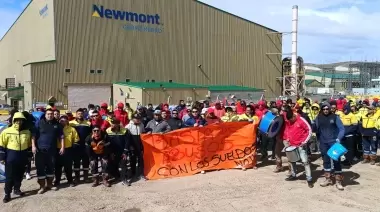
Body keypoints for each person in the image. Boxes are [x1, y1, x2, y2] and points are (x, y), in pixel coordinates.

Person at [0, 112, 32, 203]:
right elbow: (1, 145)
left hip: (22, 157)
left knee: (20, 175)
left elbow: (29, 145)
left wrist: (29, 155)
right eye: (17, 120)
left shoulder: (27, 132)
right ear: (14, 120)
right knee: (9, 177)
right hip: (11, 157)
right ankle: (7, 194)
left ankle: (17, 189)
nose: (19, 122)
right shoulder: (7, 131)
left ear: (23, 121)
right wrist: (2, 157)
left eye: (21, 120)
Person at [313, 102, 345, 190]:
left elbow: (342, 129)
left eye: (327, 109)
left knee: (336, 161)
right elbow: (315, 130)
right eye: (324, 109)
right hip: (323, 142)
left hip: (334, 142)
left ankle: (338, 181)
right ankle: (328, 179)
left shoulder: (335, 117)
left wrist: (339, 138)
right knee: (326, 161)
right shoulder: (318, 118)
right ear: (321, 109)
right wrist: (312, 125)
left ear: (330, 109)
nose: (326, 110)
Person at [32, 109, 64, 194]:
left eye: (52, 114)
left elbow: (61, 136)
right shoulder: (39, 123)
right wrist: (33, 146)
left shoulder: (57, 124)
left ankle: (49, 184)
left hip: (52, 151)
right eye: (48, 114)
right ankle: (42, 186)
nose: (50, 115)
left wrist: (62, 147)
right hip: (40, 151)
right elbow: (33, 136)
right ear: (45, 115)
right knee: (40, 168)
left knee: (51, 168)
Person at [283, 110, 313, 188]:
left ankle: (309, 179)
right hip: (292, 144)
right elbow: (288, 130)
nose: (290, 121)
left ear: (294, 116)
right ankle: (293, 175)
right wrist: (287, 138)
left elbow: (309, 130)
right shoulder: (289, 121)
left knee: (305, 162)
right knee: (292, 160)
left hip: (301, 144)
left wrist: (305, 141)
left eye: (291, 120)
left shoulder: (301, 120)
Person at [54, 115, 79, 188]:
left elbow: (76, 139)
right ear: (59, 121)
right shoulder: (56, 128)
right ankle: (57, 181)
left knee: (68, 167)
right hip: (57, 150)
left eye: (65, 120)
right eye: (61, 120)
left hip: (68, 150)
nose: (63, 122)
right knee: (57, 167)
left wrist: (73, 148)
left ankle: (70, 180)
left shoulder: (72, 129)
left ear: (68, 121)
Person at [105, 119, 131, 186]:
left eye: (114, 123)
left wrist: (125, 152)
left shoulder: (124, 131)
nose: (112, 125)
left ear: (118, 124)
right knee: (113, 165)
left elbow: (127, 142)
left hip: (122, 152)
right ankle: (116, 177)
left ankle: (124, 179)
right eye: (112, 123)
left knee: (123, 165)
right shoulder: (108, 131)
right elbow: (107, 143)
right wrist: (110, 152)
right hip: (112, 152)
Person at [69, 108, 92, 184]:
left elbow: (90, 134)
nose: (80, 115)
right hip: (76, 146)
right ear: (76, 114)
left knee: (86, 162)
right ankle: (77, 178)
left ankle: (86, 177)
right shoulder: (71, 123)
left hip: (85, 146)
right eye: (78, 113)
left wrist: (88, 141)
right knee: (76, 162)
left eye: (81, 113)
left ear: (83, 114)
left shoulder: (88, 123)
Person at [126, 114, 146, 181]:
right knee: (132, 160)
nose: (137, 119)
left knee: (141, 160)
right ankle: (133, 173)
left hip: (140, 145)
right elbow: (127, 138)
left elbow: (143, 134)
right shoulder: (128, 126)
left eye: (139, 118)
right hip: (132, 145)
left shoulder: (142, 125)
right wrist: (130, 146)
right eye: (136, 118)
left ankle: (141, 174)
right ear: (132, 119)